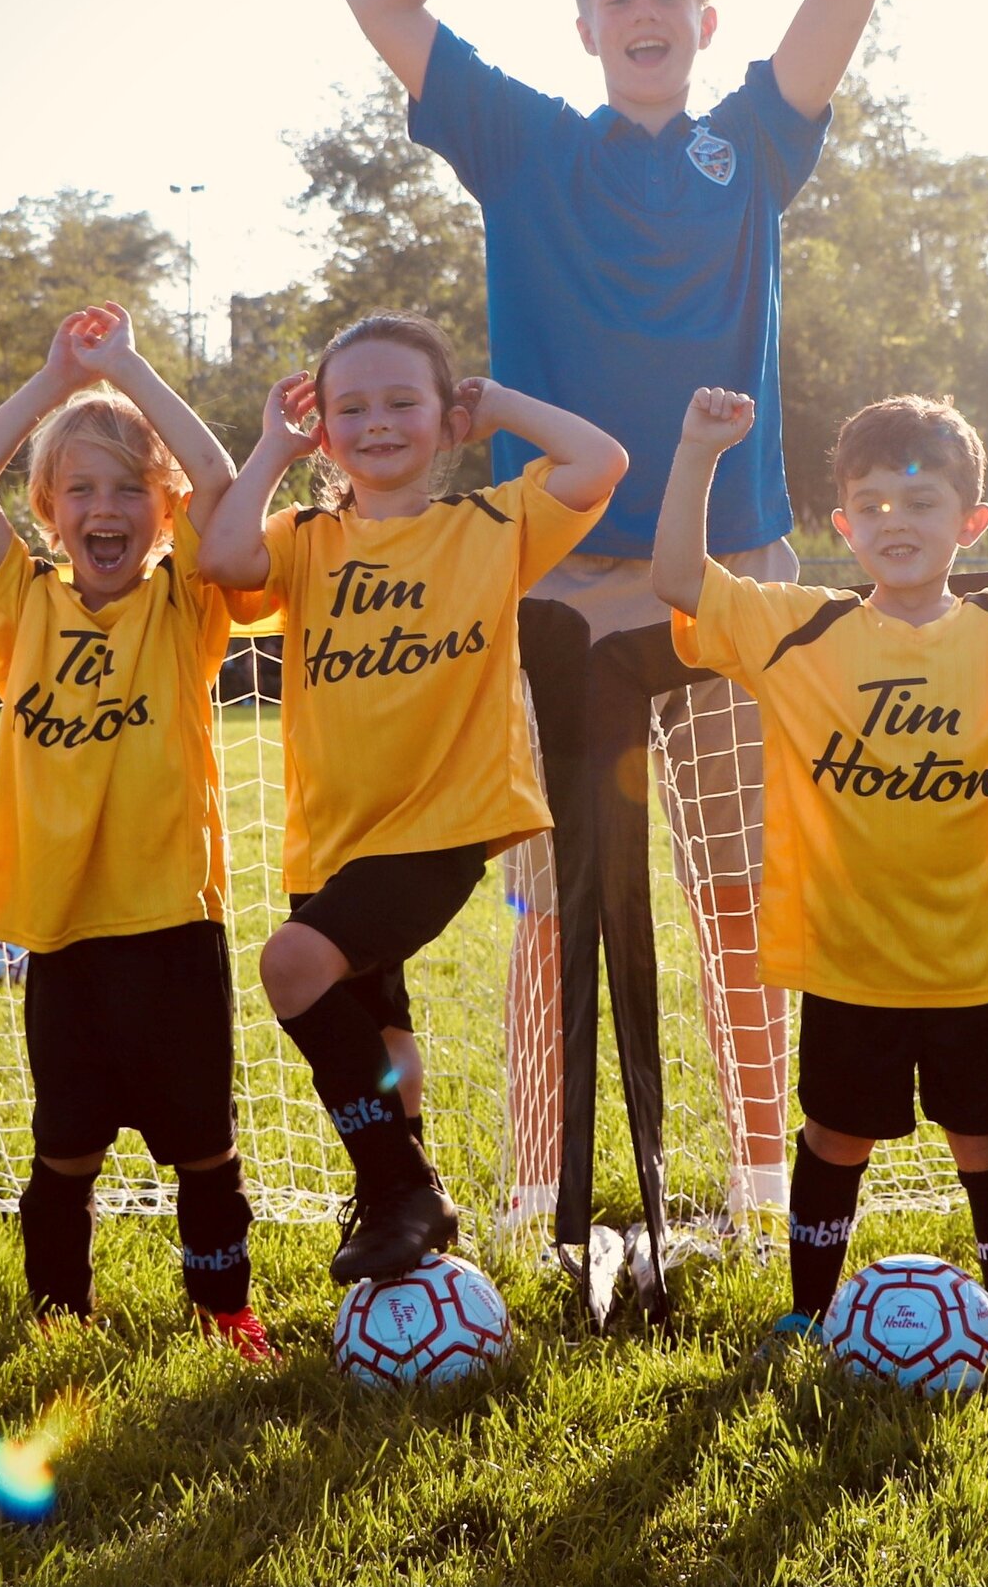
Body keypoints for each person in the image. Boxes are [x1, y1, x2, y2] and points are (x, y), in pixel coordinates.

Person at [344, 0, 885, 1234]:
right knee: (550, 908)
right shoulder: (522, 142)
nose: (644, 8)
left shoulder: (758, 145)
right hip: (564, 585)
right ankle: (542, 1184)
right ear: (583, 29)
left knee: (744, 896)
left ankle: (765, 1183)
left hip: (729, 575)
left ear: (707, 23)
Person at [654, 388, 988, 1370]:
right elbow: (677, 576)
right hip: (849, 959)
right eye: (875, 506)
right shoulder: (796, 631)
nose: (898, 522)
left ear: (970, 521)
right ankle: (807, 1312)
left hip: (976, 960)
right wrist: (696, 452)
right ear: (842, 525)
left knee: (987, 1143)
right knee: (834, 1134)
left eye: (924, 501)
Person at [202, 312, 627, 1279]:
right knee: (379, 1024)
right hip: (333, 837)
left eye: (405, 402)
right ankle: (395, 1192)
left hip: (447, 823)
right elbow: (223, 562)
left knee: (293, 965)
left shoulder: (487, 525)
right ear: (325, 428)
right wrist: (272, 445)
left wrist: (499, 405)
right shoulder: (306, 539)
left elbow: (599, 462)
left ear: (446, 424)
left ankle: (404, 1189)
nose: (378, 421)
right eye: (350, 406)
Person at [0, 302, 273, 1357]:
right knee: (65, 1148)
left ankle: (226, 1311)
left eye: (130, 487)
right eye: (79, 488)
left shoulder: (182, 603)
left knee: (205, 1146)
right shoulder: (19, 605)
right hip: (63, 930)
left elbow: (222, 487)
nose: (105, 505)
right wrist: (51, 383)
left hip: (172, 921)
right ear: (47, 510)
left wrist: (128, 367)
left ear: (162, 511)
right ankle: (59, 1315)